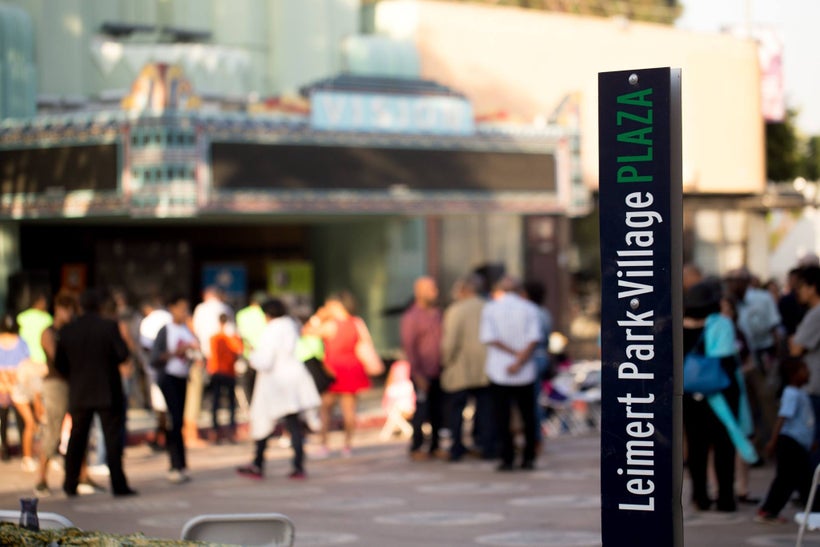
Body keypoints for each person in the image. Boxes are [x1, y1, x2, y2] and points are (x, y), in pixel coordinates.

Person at [55, 288, 136, 497]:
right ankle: (118, 484)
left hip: (80, 391)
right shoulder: (108, 327)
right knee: (111, 439)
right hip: (107, 391)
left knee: (77, 438)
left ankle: (69, 483)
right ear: (100, 306)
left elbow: (60, 364)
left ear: (80, 307)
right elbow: (122, 354)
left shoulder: (68, 330)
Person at [237, 298, 320, 479]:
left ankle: (258, 463)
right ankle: (298, 464)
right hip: (293, 378)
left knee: (263, 423)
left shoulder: (272, 330)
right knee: (293, 423)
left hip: (275, 382)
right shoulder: (291, 326)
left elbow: (265, 360)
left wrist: (253, 355)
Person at [683, 280, 743, 512]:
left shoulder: (679, 326)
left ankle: (700, 496)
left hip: (689, 395)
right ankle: (725, 497)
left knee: (696, 448)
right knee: (724, 448)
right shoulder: (722, 324)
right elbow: (728, 359)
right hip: (721, 395)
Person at [479, 275, 542, 471]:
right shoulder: (530, 308)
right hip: (524, 370)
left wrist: (514, 357)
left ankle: (507, 457)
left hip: (500, 371)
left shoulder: (491, 308)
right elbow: (534, 338)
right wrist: (520, 358)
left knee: (502, 416)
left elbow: (490, 337)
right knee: (528, 416)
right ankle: (528, 457)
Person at [303, 291, 370, 457]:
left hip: (333, 369)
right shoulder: (356, 323)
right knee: (349, 410)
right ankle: (347, 446)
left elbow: (306, 331)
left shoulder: (331, 325)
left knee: (326, 410)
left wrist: (318, 316)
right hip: (353, 367)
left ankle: (325, 445)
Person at [755, 357, 819, 523]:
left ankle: (813, 509)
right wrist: (773, 442)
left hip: (799, 443)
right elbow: (783, 418)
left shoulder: (800, 393)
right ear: (793, 374)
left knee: (804, 478)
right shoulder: (791, 393)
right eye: (804, 370)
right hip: (790, 442)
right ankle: (768, 510)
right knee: (786, 479)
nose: (809, 372)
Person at [440, 274, 494, 461]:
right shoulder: (489, 307)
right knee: (485, 409)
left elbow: (450, 342)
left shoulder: (457, 310)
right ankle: (486, 446)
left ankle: (457, 447)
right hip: (485, 368)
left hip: (460, 368)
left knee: (457, 410)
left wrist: (445, 362)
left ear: (464, 290)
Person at [151, 294, 199, 484]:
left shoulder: (186, 329)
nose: (183, 312)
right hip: (168, 377)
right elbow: (155, 358)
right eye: (180, 308)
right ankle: (174, 464)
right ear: (172, 308)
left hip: (182, 377)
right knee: (175, 419)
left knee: (179, 421)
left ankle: (181, 464)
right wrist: (176, 353)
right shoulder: (166, 330)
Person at [401, 276, 444, 461]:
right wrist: (417, 373)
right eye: (431, 289)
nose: (435, 293)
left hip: (440, 370)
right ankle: (417, 445)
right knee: (421, 409)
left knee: (438, 410)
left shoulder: (438, 314)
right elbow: (409, 347)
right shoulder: (411, 317)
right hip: (421, 372)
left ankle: (435, 445)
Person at [190, 286, 233, 446]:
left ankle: (217, 430)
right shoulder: (223, 311)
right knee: (220, 398)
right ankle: (224, 431)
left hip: (211, 361)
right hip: (221, 364)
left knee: (213, 397)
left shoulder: (202, 310)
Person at [789, 265, 820, 458]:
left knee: (814, 442)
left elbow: (796, 348)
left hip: (815, 385)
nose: (798, 292)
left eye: (801, 287)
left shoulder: (816, 314)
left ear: (812, 287)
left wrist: (793, 339)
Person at [0, 313, 36, 469]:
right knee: (14, 419)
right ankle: (18, 450)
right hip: (11, 384)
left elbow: (26, 362)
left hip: (11, 384)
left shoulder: (20, 342)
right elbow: (25, 361)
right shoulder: (20, 342)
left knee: (10, 419)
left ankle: (14, 449)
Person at [138, 296, 172, 451]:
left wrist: (155, 355)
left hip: (158, 367)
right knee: (168, 403)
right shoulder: (169, 317)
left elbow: (145, 346)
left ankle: (163, 435)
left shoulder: (149, 321)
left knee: (160, 404)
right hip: (171, 367)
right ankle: (165, 434)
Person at [523, 280, 553, 452]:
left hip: (532, 357)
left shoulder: (532, 312)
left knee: (531, 401)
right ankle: (536, 437)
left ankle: (535, 438)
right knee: (535, 399)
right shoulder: (545, 313)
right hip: (542, 357)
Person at [207, 313, 242, 443]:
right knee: (221, 402)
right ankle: (219, 431)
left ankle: (225, 431)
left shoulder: (220, 337)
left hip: (223, 371)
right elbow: (238, 350)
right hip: (222, 371)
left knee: (223, 402)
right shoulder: (221, 337)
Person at [236, 290, 269, 403]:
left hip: (249, 353)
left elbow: (241, 335)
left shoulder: (242, 314)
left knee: (249, 384)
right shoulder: (265, 314)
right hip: (263, 353)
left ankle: (251, 406)